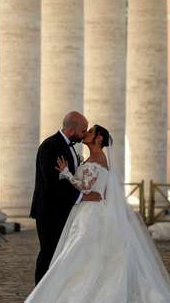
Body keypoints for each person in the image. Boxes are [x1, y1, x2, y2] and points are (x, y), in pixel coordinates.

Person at [25, 125, 170, 303]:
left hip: (90, 213)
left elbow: (85, 186)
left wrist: (66, 173)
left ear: (99, 139)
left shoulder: (98, 159)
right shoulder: (92, 158)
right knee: (82, 252)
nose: (85, 133)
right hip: (87, 209)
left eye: (90, 131)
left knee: (80, 250)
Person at [29, 111, 101, 283]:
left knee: (60, 253)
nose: (84, 134)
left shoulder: (69, 145)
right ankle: (40, 294)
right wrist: (81, 198)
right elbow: (52, 184)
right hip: (50, 211)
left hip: (64, 210)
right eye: (83, 130)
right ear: (71, 130)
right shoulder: (50, 147)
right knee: (48, 252)